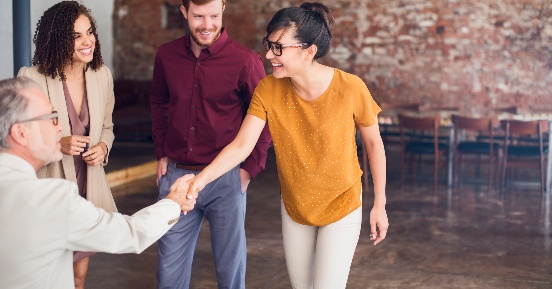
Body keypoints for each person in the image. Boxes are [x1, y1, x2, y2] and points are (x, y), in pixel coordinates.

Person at [180, 2, 389, 289]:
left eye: (278, 47)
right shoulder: (268, 89)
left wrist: (379, 204)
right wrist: (199, 181)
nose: (268, 55)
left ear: (308, 51)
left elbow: (374, 145)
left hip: (342, 203)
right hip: (295, 205)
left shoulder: (351, 88)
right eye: (269, 45)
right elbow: (241, 146)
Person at [0, 76, 197, 289]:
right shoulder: (51, 200)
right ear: (20, 133)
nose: (60, 128)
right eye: (52, 118)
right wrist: (174, 202)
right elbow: (130, 234)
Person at [149, 0, 272, 288]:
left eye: (214, 16)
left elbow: (266, 118)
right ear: (184, 12)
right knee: (168, 273)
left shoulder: (246, 61)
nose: (207, 25)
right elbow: (159, 102)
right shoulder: (166, 56)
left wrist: (249, 170)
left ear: (223, 10)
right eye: (198, 16)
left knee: (230, 273)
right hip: (177, 177)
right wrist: (161, 152)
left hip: (226, 178)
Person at [17, 2, 117, 287]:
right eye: (76, 36)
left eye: (89, 33)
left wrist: (103, 148)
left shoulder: (102, 76)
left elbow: (107, 128)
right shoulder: (32, 78)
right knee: (47, 275)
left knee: (78, 276)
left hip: (86, 190)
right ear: (58, 39)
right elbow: (17, 139)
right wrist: (56, 145)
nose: (87, 42)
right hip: (49, 191)